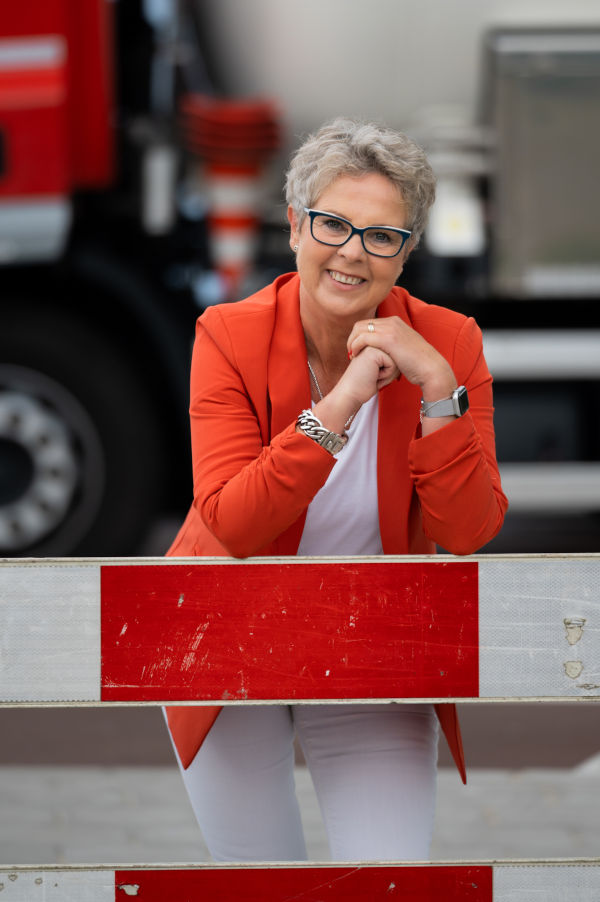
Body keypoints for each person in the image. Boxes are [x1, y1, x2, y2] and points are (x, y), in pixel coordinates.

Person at [164, 117, 508, 861]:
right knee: (260, 883)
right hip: (226, 641)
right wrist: (342, 404)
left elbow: (468, 531)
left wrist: (437, 393)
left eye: (382, 236)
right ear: (294, 226)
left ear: (406, 253)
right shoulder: (227, 334)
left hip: (370, 649)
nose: (353, 252)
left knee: (389, 878)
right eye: (332, 224)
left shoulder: (449, 344)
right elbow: (233, 522)